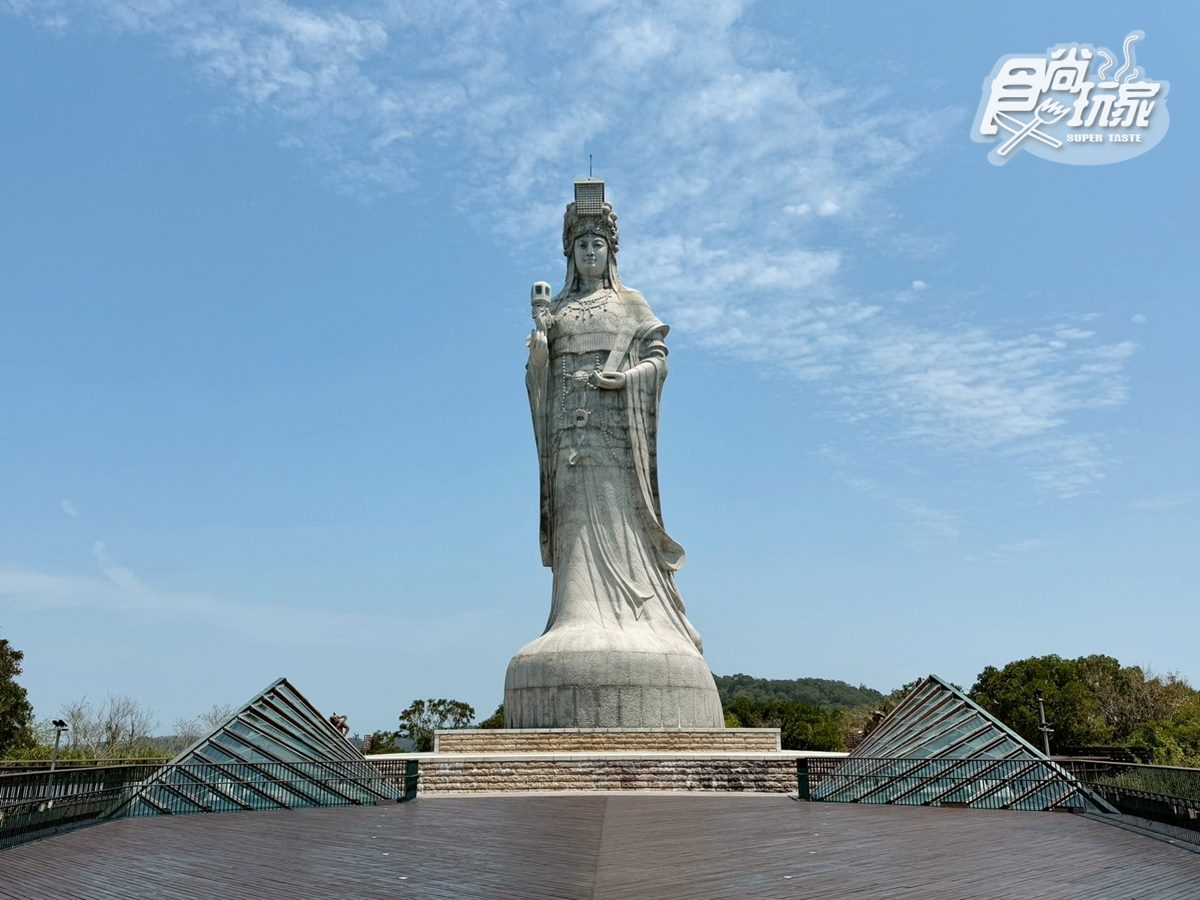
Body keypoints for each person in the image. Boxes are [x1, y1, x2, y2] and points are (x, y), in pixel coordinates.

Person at [524, 193, 705, 654]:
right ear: (569, 251)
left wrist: (623, 379)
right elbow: (538, 379)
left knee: (619, 521)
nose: (589, 251)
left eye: (597, 243)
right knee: (575, 529)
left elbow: (658, 361)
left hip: (615, 441)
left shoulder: (630, 303)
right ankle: (574, 615)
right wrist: (541, 347)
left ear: (611, 250)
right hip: (569, 442)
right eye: (581, 243)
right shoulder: (558, 312)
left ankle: (640, 618)